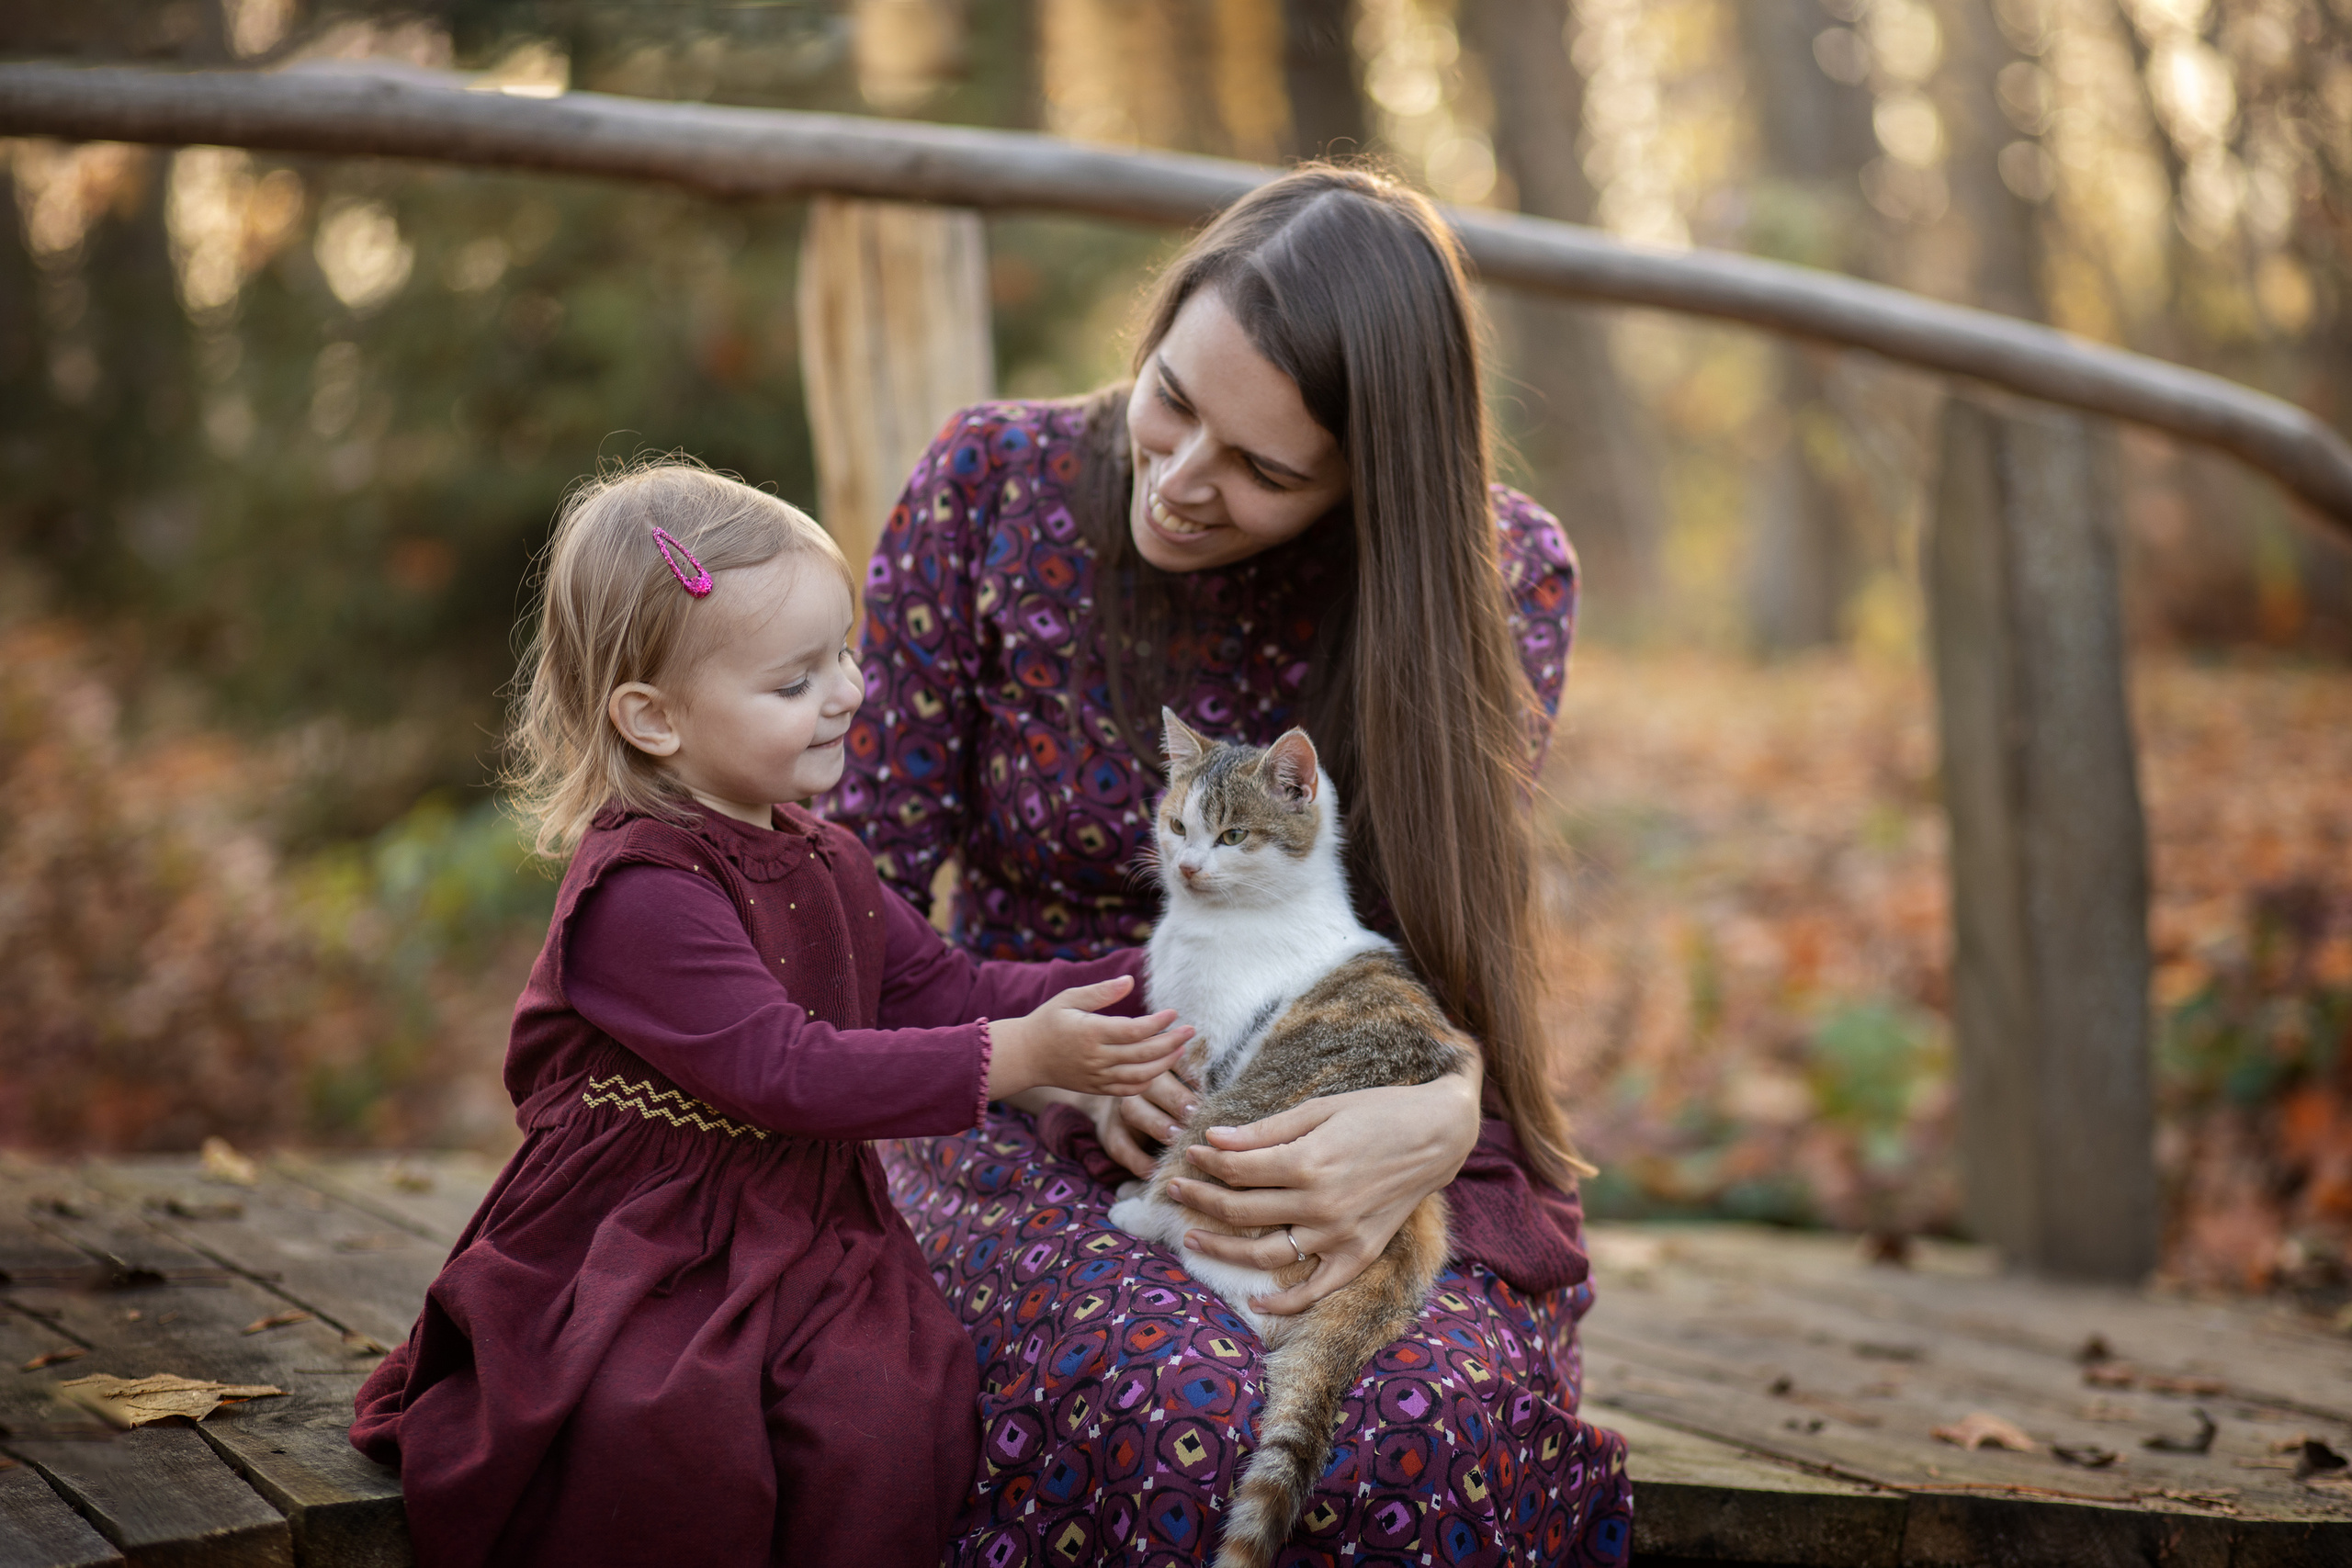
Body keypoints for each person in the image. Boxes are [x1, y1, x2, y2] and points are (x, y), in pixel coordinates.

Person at [831, 166, 1634, 1562]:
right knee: (1180, 1401)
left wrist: (1443, 1119)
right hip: (1011, 1109)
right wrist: (1056, 1055)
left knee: (1415, 1420)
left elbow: (1440, 953)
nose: (1185, 482)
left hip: (1342, 1124)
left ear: (1367, 481)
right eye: (1173, 400)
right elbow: (852, 922)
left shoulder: (1497, 576)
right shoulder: (988, 490)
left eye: (1264, 468)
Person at [349, 464, 1195, 1568]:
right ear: (651, 720)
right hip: (653, 1232)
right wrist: (1015, 1059)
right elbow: (781, 1068)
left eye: (844, 654)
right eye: (796, 681)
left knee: (894, 1404)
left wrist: (1169, 976)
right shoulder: (642, 889)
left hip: (809, 1220)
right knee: (664, 1429)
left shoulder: (821, 852)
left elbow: (941, 988)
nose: (847, 692)